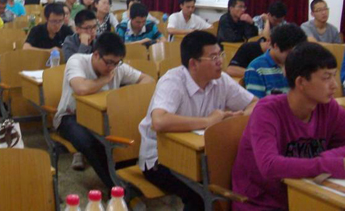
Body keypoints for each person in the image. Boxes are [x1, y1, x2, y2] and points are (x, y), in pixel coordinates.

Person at [138, 31, 257, 211]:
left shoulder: (221, 80)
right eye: (213, 57)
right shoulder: (172, 81)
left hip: (203, 155)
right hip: (160, 158)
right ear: (193, 63)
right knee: (201, 196)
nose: (220, 61)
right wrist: (208, 121)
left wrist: (238, 118)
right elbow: (159, 121)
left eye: (221, 55)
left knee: (240, 181)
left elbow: (255, 103)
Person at [232, 43, 345, 211]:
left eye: (334, 76)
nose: (334, 85)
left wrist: (326, 156)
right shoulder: (267, 111)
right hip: (261, 203)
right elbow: (270, 166)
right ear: (301, 82)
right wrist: (327, 164)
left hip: (306, 195)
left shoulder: (328, 107)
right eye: (326, 77)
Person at [55, 32, 154, 184]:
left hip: (104, 116)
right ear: (96, 55)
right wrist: (104, 79)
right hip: (71, 116)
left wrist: (126, 95)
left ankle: (124, 178)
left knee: (128, 136)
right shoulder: (77, 61)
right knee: (88, 142)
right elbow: (81, 88)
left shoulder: (117, 67)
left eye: (116, 63)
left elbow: (148, 80)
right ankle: (116, 186)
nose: (112, 67)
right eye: (108, 62)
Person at [244, 24, 308, 98]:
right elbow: (256, 103)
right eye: (289, 53)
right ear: (275, 46)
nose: (293, 57)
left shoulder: (299, 63)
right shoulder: (256, 68)